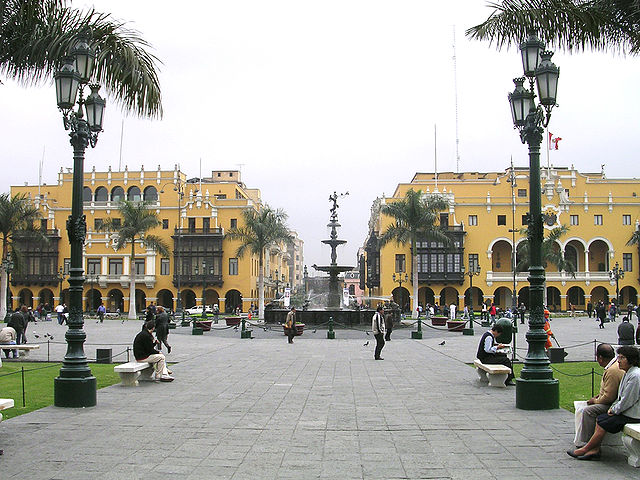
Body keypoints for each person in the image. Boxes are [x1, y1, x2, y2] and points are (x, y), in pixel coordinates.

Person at [567, 345, 640, 461]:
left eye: (622, 358)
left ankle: (586, 448)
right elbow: (620, 396)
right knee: (602, 419)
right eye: (619, 357)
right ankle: (592, 449)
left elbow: (627, 400)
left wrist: (614, 410)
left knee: (602, 421)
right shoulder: (627, 373)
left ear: (631, 360)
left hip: (632, 415)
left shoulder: (635, 376)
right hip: (625, 411)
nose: (619, 361)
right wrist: (613, 408)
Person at [574, 343, 625, 447]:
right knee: (585, 407)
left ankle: (587, 443)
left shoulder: (612, 371)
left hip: (613, 404)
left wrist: (595, 401)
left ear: (600, 358)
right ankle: (586, 441)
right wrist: (598, 397)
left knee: (588, 411)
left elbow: (608, 397)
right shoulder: (612, 367)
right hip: (614, 401)